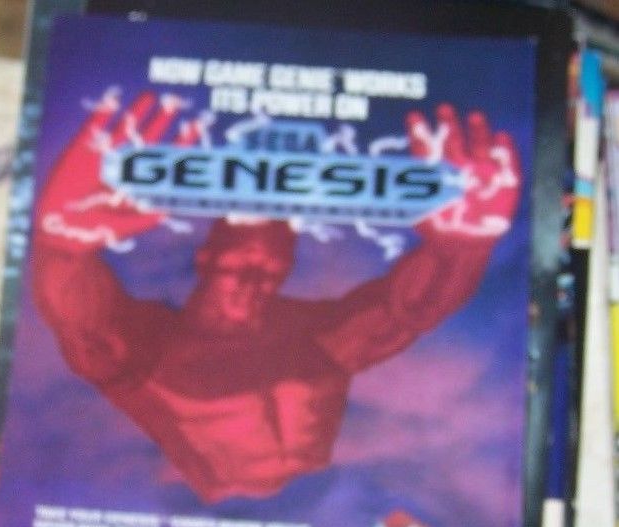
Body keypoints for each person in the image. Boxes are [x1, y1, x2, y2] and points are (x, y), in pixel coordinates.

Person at [32, 92, 520, 503]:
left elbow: (408, 313)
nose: (254, 282)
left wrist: (462, 248)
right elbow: (84, 324)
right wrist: (61, 249)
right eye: (241, 264)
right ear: (206, 258)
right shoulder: (152, 346)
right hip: (202, 516)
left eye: (271, 271)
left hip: (330, 504)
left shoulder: (309, 337)